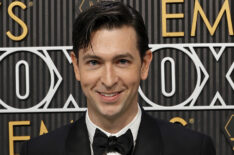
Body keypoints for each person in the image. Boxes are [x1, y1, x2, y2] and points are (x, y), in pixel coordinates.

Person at [20, 1, 216, 155]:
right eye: (94, 62)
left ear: (145, 64)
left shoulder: (193, 149)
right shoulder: (39, 151)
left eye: (122, 61)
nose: (108, 80)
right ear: (76, 66)